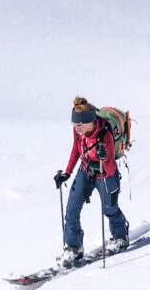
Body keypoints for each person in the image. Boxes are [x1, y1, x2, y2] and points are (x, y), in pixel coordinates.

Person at [54, 96, 129, 266]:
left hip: (104, 174)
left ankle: (120, 237)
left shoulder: (105, 134)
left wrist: (104, 157)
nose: (76, 129)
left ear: (90, 122)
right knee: (72, 209)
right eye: (74, 125)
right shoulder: (79, 132)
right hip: (86, 170)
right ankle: (73, 248)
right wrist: (67, 173)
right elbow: (76, 150)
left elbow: (110, 170)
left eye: (79, 125)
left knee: (110, 209)